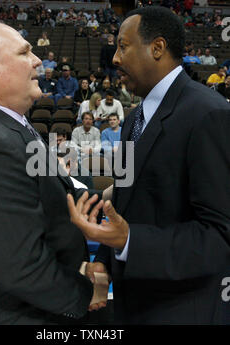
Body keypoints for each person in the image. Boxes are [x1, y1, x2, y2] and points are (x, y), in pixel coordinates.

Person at [67, 6, 230, 325]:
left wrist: (130, 241)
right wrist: (104, 262)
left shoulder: (209, 114)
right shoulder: (133, 122)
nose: (114, 59)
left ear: (157, 48)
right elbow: (124, 208)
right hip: (133, 304)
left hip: (183, 309)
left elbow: (219, 237)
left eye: (123, 46)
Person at [0, 20, 101, 325]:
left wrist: (113, 196)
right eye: (24, 52)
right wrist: (86, 297)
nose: (38, 59)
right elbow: (23, 269)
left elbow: (64, 194)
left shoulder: (11, 127)